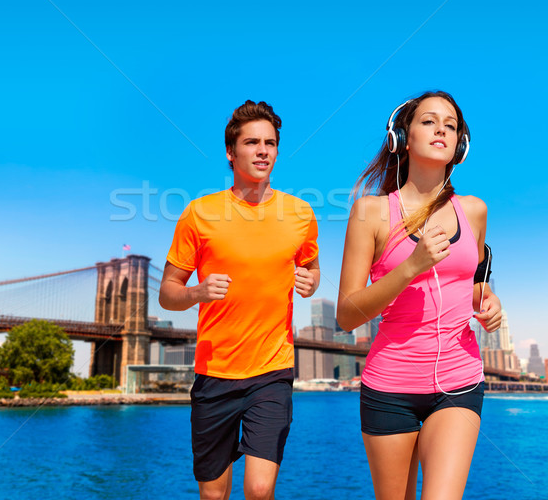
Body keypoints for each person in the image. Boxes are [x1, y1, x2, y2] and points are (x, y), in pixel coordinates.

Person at [337, 91, 502, 500]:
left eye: (451, 123)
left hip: (459, 383)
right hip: (390, 387)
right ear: (403, 138)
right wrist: (412, 265)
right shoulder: (370, 213)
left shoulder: (475, 211)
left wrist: (487, 300)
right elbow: (347, 315)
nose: (442, 127)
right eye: (429, 120)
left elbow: (474, 278)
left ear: (459, 146)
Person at [159, 100, 320, 500]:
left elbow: (313, 270)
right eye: (252, 142)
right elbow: (167, 293)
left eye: (270, 143)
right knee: (214, 494)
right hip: (215, 373)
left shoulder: (300, 214)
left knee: (260, 488)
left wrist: (310, 281)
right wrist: (197, 292)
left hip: (272, 370)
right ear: (231, 153)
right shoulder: (199, 214)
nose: (263, 150)